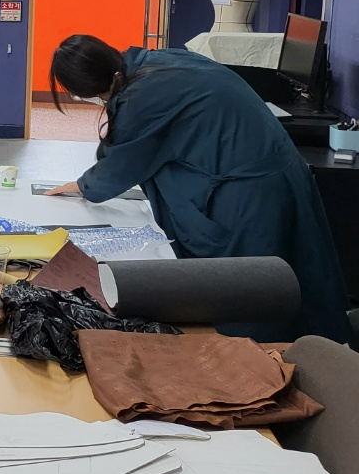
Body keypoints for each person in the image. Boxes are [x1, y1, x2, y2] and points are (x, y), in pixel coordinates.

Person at [45, 34, 348, 343]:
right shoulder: (158, 60)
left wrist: (84, 186)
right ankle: (307, 347)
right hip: (277, 167)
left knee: (247, 290)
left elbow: (124, 163)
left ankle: (258, 357)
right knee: (294, 275)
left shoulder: (143, 97)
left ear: (88, 88)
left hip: (251, 191)